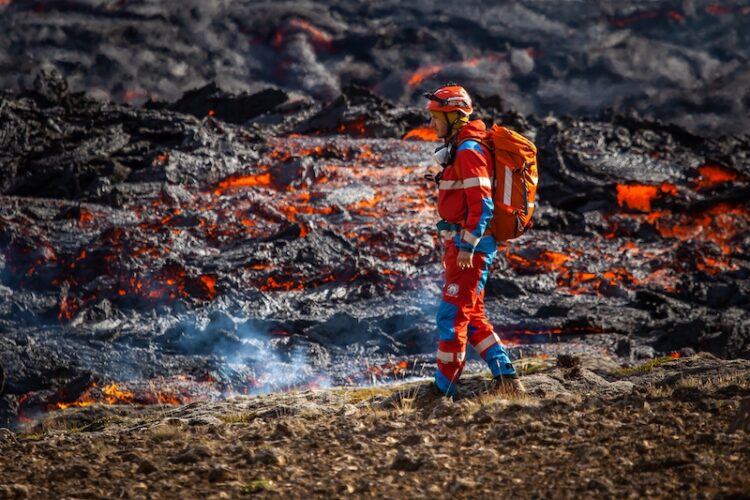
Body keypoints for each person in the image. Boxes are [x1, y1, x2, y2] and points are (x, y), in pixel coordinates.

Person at [424, 83, 525, 397]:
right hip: (465, 244)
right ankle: (506, 377)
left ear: (455, 116)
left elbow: (483, 203)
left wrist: (467, 244)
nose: (431, 123)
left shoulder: (469, 150)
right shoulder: (462, 147)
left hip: (471, 247)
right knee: (473, 316)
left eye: (436, 116)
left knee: (450, 316)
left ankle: (444, 391)